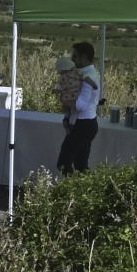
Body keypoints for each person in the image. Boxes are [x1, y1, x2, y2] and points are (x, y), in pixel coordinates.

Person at [57, 41, 102, 174]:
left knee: (63, 164)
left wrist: (63, 99)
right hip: (84, 123)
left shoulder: (88, 77)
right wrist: (67, 118)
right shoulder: (81, 75)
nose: (72, 60)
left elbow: (80, 105)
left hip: (83, 125)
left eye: (75, 56)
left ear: (84, 57)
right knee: (81, 165)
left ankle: (73, 186)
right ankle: (83, 186)